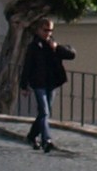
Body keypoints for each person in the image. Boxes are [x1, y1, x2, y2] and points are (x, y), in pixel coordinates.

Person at [17, 15, 71, 153]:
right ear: (39, 30)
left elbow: (71, 54)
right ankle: (47, 140)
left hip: (52, 83)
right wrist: (23, 86)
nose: (48, 33)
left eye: (50, 31)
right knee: (45, 112)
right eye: (45, 30)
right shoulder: (33, 46)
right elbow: (27, 67)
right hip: (38, 83)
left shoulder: (53, 45)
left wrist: (57, 48)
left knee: (43, 113)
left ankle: (31, 136)